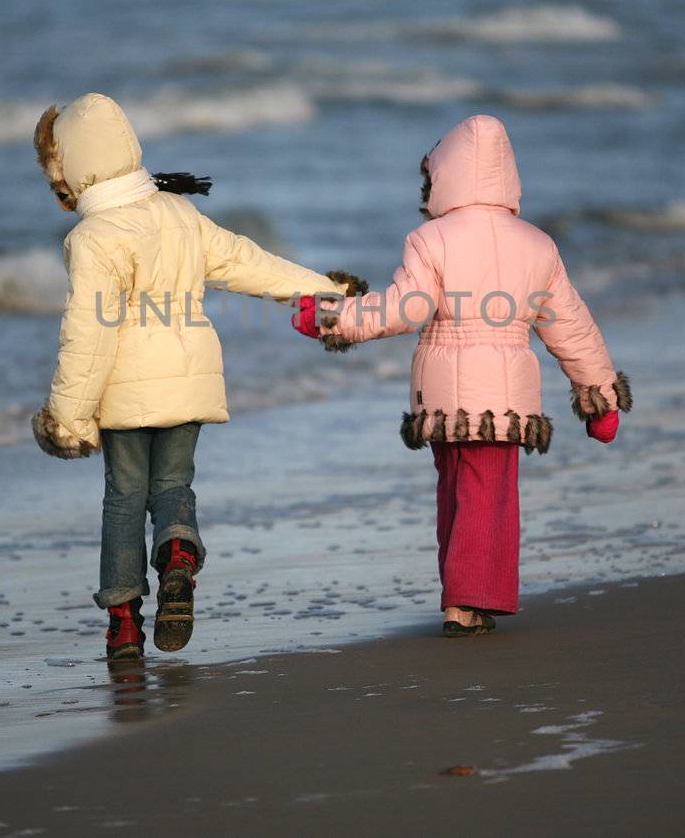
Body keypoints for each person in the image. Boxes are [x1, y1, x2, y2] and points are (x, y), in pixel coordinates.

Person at [30, 93, 365, 660]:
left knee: (123, 499)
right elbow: (247, 262)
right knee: (174, 487)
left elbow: (88, 336)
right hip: (192, 381)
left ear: (73, 167)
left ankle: (124, 624)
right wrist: (324, 290)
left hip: (126, 392)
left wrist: (67, 417)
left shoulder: (93, 238)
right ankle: (179, 556)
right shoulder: (180, 213)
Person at [292, 114, 628, 637]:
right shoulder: (537, 246)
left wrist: (335, 317)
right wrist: (599, 396)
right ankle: (467, 602)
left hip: (442, 392)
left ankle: (462, 597)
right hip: (505, 398)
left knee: (454, 490)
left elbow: (403, 308)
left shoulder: (432, 238)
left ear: (444, 174)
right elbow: (571, 326)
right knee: (488, 494)